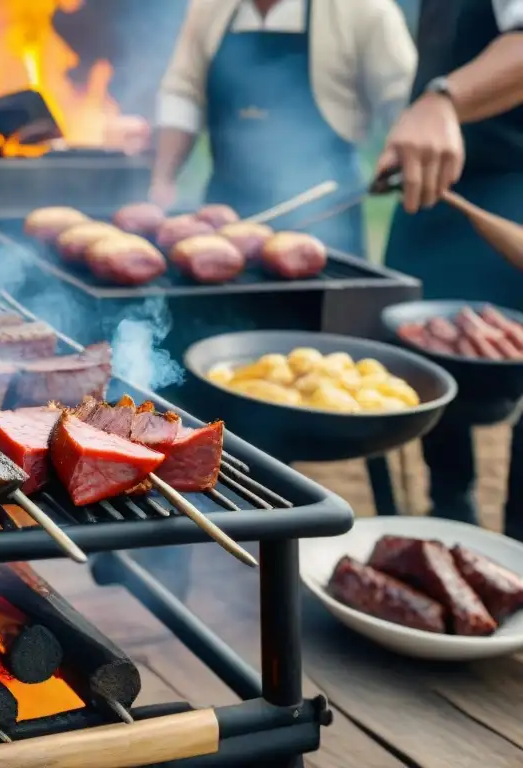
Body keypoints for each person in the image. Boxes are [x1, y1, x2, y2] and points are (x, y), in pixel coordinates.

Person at [378, 0, 523, 536]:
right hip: (432, 182)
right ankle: (450, 506)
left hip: (512, 179)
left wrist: (440, 102)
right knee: (422, 348)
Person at [149, 0, 417, 256]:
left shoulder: (366, 10)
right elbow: (183, 94)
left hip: (325, 226)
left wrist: (405, 157)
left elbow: (408, 106)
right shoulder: (209, 7)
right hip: (222, 217)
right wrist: (163, 178)